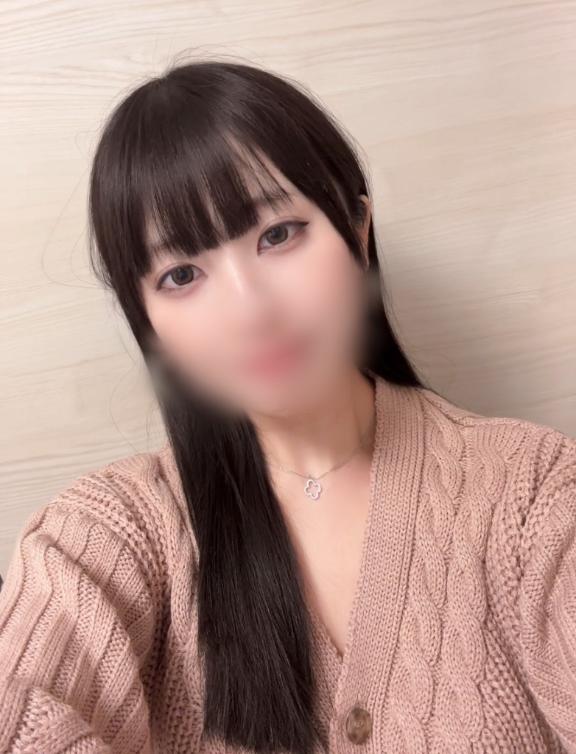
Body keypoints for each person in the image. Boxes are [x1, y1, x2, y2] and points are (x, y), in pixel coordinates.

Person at [0, 58, 575, 754]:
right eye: (181, 275)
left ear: (357, 227)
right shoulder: (106, 536)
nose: (250, 310)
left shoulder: (532, 490)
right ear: (146, 321)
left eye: (277, 234)